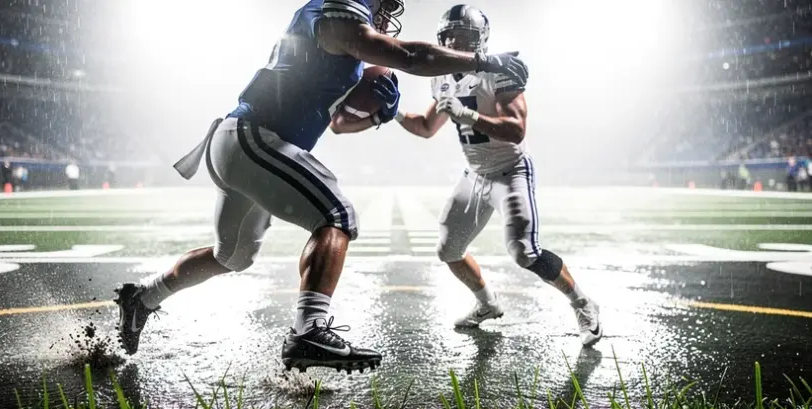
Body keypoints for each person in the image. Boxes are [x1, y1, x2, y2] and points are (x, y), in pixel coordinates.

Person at [113, 0, 531, 373]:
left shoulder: (345, 51)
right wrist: (484, 61)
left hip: (247, 145)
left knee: (233, 255)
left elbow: (339, 123)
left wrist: (378, 116)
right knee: (337, 215)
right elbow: (411, 56)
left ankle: (143, 298)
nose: (386, 12)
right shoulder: (334, 11)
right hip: (256, 137)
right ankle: (309, 330)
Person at [331, 4, 601, 347]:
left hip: (511, 170)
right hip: (475, 174)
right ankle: (487, 304)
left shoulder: (499, 71)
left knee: (524, 251)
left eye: (464, 36)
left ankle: (582, 302)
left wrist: (467, 115)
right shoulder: (442, 76)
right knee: (449, 249)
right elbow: (427, 127)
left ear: (481, 39)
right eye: (450, 37)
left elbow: (516, 130)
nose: (456, 42)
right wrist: (394, 113)